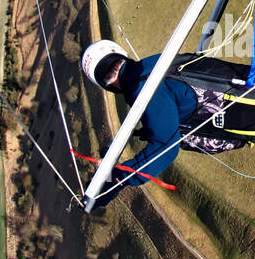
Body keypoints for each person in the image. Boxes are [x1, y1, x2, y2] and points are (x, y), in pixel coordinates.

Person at [81, 40, 197, 210]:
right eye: (110, 74)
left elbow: (165, 147)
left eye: (109, 74)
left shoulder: (141, 86)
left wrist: (117, 179)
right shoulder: (152, 63)